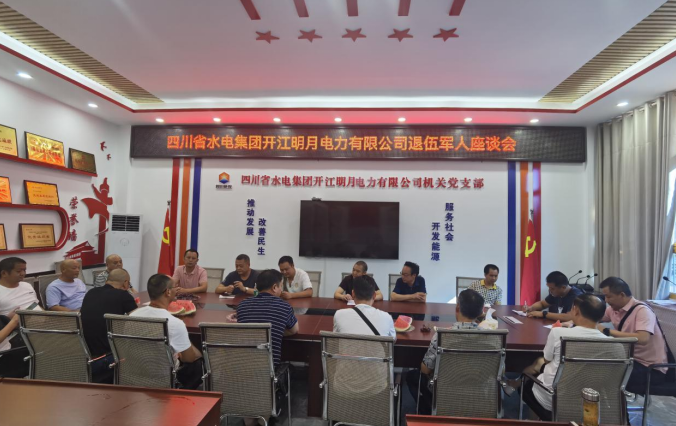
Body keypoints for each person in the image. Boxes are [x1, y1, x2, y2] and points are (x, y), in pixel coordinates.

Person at [521, 294, 611, 421]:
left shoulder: (558, 333)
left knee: (532, 377)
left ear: (576, 310)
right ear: (601, 316)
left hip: (554, 399)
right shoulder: (612, 344)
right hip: (591, 402)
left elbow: (547, 360)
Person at [409, 289, 485, 414]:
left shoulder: (442, 335)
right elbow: (500, 370)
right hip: (478, 389)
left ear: (457, 308)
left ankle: (429, 412)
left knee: (412, 376)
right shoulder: (492, 337)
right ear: (481, 312)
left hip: (445, 389)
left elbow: (425, 369)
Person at [598, 277, 669, 395]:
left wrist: (607, 331)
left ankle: (615, 405)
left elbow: (643, 338)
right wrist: (573, 321)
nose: (606, 300)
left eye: (609, 296)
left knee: (604, 374)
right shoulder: (613, 309)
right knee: (597, 364)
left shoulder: (642, 311)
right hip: (630, 360)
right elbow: (593, 318)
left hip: (650, 368)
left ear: (622, 294)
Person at [130, 274, 203, 389]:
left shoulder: (132, 315)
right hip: (164, 377)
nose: (176, 289)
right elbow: (189, 358)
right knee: (198, 364)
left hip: (133, 372)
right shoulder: (175, 323)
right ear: (168, 292)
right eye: (175, 287)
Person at [80, 268, 138, 383]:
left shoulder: (91, 293)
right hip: (110, 354)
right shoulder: (123, 295)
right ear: (125, 283)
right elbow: (137, 321)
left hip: (86, 350)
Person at [236, 269, 298, 367]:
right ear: (274, 287)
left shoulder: (242, 305)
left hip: (243, 367)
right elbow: (294, 330)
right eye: (281, 286)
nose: (282, 290)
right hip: (270, 369)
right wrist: (275, 330)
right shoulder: (284, 307)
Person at [0, 257, 40, 378]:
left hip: (41, 323)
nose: (23, 273)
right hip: (17, 331)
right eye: (18, 271)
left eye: (24, 270)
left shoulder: (27, 285)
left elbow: (35, 305)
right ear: (4, 273)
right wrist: (9, 319)